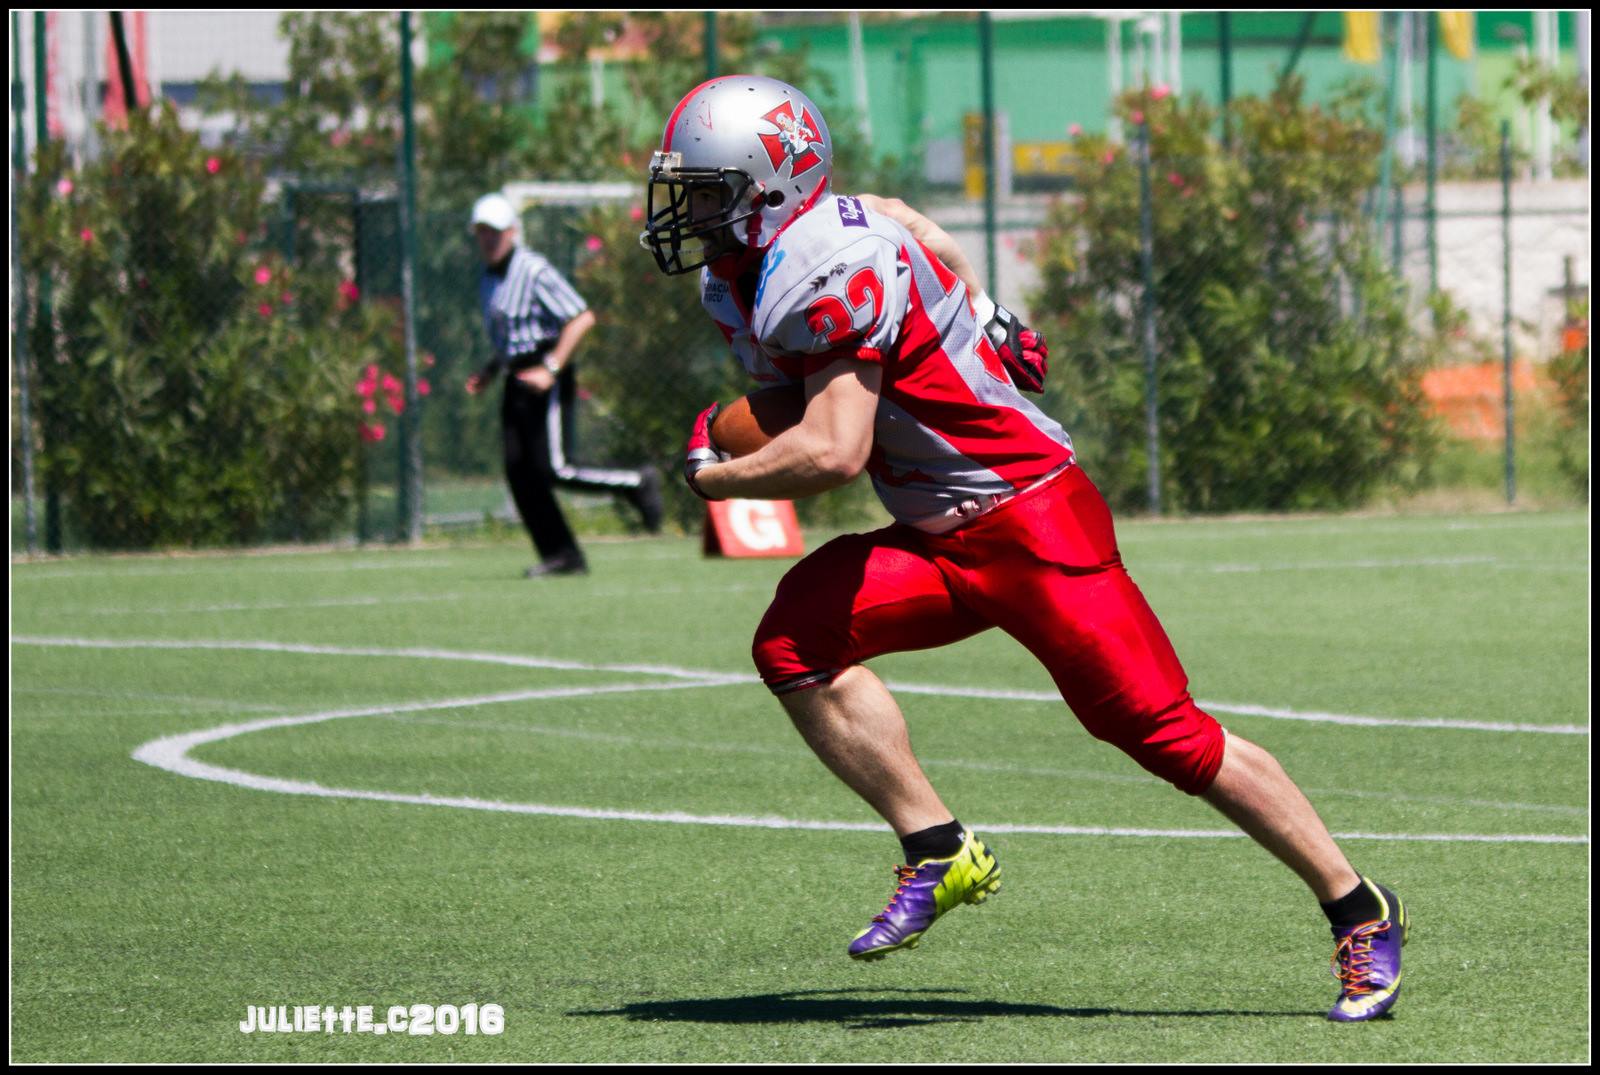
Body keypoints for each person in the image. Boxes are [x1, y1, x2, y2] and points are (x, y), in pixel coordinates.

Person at [640, 76, 1407, 1023]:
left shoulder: (823, 264)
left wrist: (715, 479)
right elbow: (903, 230)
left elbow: (834, 451)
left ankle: (1358, 906)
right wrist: (976, 307)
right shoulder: (762, 265)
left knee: (1168, 736)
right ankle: (937, 847)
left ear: (772, 185)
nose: (690, 214)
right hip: (938, 540)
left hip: (1035, 524)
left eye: (709, 193)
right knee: (794, 641)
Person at [467, 192, 663, 578]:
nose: (488, 239)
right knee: (519, 472)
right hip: (515, 378)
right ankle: (561, 555)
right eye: (482, 232)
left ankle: (637, 481)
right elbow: (512, 336)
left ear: (513, 232)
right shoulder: (489, 278)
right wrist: (490, 371)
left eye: (495, 232)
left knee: (554, 468)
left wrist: (551, 368)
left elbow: (580, 318)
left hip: (547, 374)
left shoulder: (533, 270)